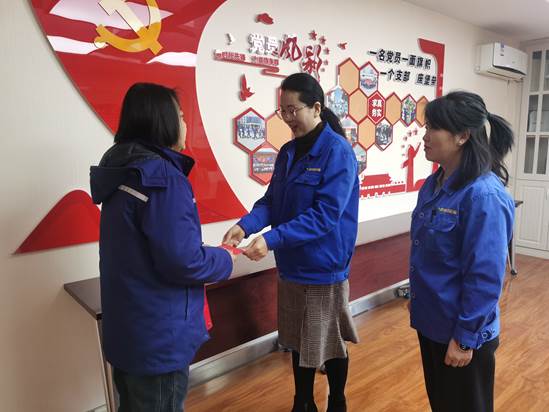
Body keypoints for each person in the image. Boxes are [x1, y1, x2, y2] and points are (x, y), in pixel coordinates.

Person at [90, 83, 237, 412]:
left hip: (130, 329)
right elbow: (183, 261)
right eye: (181, 116)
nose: (185, 124)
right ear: (163, 120)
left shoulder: (122, 171)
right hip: (158, 335)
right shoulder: (162, 178)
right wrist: (225, 258)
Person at [223, 73, 360, 412]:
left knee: (329, 342)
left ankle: (337, 400)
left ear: (316, 108)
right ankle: (303, 401)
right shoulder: (287, 152)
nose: (287, 118)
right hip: (292, 266)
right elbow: (272, 202)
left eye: (293, 110)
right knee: (298, 339)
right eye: (282, 110)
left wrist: (271, 240)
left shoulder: (338, 152)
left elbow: (325, 215)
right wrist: (245, 226)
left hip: (323, 267)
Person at [409, 91, 515, 412]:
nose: (424, 136)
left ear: (462, 136)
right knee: (443, 404)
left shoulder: (483, 195)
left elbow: (485, 278)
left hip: (463, 333)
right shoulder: (433, 185)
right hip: (432, 322)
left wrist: (465, 338)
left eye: (433, 128)